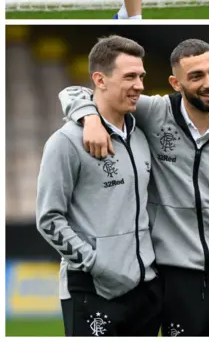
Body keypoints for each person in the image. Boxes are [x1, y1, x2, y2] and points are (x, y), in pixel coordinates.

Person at [59, 39, 209, 336]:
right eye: (196, 76)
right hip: (177, 285)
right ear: (175, 83)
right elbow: (75, 92)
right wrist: (88, 117)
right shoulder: (153, 113)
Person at [36, 36, 162, 336]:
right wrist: (97, 266)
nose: (140, 86)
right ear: (99, 80)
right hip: (91, 290)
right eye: (129, 76)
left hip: (146, 290)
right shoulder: (65, 142)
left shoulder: (142, 136)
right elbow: (49, 219)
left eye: (141, 76)